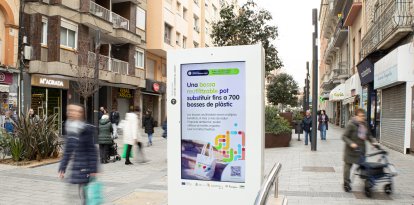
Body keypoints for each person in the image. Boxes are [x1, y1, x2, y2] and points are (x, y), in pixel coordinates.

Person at [58, 104, 98, 204]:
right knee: (73, 195)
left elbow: (92, 151)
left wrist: (93, 169)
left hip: (85, 168)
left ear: (81, 114)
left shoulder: (86, 129)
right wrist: (62, 167)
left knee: (84, 194)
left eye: (75, 111)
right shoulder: (70, 128)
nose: (71, 112)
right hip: (76, 167)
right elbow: (67, 151)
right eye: (70, 110)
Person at [342, 108, 377, 192]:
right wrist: (351, 143)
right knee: (347, 168)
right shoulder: (351, 124)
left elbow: (368, 135)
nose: (363, 118)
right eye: (361, 116)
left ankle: (367, 183)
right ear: (356, 116)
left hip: (361, 151)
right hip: (350, 151)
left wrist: (373, 142)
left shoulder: (364, 124)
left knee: (364, 167)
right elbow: (344, 136)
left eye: (363, 116)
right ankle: (346, 183)